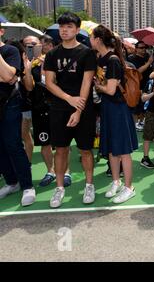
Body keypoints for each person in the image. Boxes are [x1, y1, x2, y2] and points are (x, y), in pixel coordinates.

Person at [44, 12, 97, 208]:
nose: (64, 30)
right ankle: (59, 188)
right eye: (62, 27)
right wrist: (68, 99)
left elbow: (87, 83)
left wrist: (77, 110)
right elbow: (49, 83)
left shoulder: (87, 53)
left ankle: (89, 184)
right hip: (59, 108)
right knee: (60, 150)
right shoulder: (51, 54)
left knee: (85, 150)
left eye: (69, 27)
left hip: (83, 109)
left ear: (77, 29)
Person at [91, 25, 138, 204]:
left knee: (123, 150)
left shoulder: (112, 60)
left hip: (117, 109)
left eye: (91, 37)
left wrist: (98, 86)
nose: (90, 40)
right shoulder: (101, 59)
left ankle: (128, 187)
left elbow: (110, 90)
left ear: (98, 40)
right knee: (111, 148)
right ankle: (116, 182)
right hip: (108, 109)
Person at [21, 35, 73, 187]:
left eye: (35, 44)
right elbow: (29, 87)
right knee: (44, 142)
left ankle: (66, 172)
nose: (34, 48)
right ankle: (50, 171)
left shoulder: (58, 62)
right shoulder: (32, 64)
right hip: (39, 107)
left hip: (58, 107)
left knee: (63, 143)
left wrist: (48, 68)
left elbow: (61, 83)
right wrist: (28, 70)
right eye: (28, 46)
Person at [0, 24, 36, 207]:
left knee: (13, 144)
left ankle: (27, 186)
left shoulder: (10, 50)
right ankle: (11, 182)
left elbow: (7, 76)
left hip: (9, 103)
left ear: (1, 32)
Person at [128, 41, 153, 130]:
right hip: (136, 86)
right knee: (136, 106)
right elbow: (137, 72)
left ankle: (141, 122)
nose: (143, 50)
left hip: (148, 85)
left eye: (145, 47)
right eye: (141, 48)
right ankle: (134, 124)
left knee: (144, 106)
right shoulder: (132, 58)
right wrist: (148, 63)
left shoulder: (148, 57)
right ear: (136, 49)